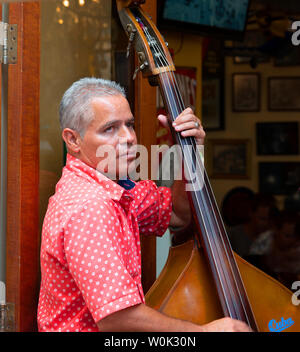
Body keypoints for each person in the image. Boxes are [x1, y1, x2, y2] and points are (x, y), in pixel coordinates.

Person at [37, 77, 251, 332]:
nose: (128, 137)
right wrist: (204, 332)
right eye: (110, 129)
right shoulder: (90, 206)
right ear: (73, 140)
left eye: (129, 124)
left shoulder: (116, 190)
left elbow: (177, 213)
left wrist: (192, 151)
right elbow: (117, 318)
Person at [227, 193, 276, 259]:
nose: (266, 223)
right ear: (251, 213)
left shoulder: (274, 237)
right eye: (262, 219)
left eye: (269, 219)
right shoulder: (233, 235)